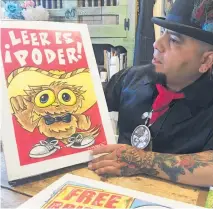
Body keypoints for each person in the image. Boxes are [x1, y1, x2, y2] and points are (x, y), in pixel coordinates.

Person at [88, 0, 213, 187]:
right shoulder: (132, 77)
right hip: (108, 190)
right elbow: (87, 104)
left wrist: (144, 161)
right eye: (163, 33)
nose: (157, 44)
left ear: (206, 60)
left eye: (174, 40)